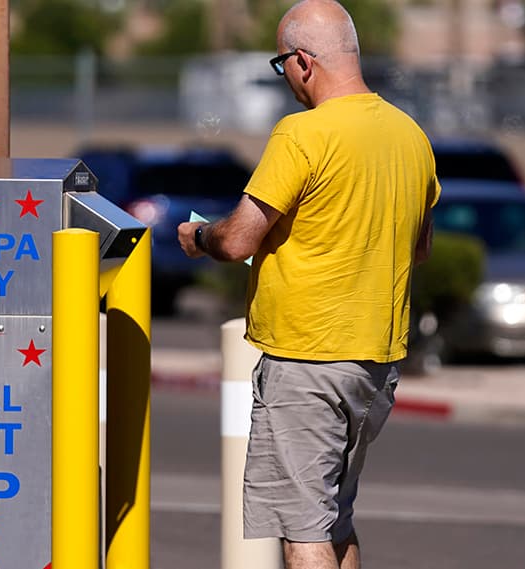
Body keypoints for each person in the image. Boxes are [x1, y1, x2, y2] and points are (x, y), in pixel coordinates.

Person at [176, 1, 440, 568]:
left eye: (281, 66)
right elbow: (419, 249)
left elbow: (240, 239)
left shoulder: (302, 134)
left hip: (307, 357)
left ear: (301, 61)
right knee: (333, 519)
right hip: (376, 360)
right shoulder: (410, 136)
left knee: (301, 530)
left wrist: (200, 237)